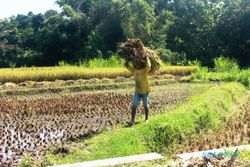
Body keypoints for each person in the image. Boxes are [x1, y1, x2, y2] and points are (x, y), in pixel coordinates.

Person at [124, 57, 151, 125]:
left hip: (144, 91)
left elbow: (149, 66)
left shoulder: (144, 70)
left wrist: (146, 58)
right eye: (135, 63)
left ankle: (146, 119)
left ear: (141, 64)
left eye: (137, 63)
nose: (136, 64)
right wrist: (127, 60)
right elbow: (126, 66)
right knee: (134, 106)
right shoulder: (134, 70)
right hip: (137, 91)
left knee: (146, 105)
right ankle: (132, 121)